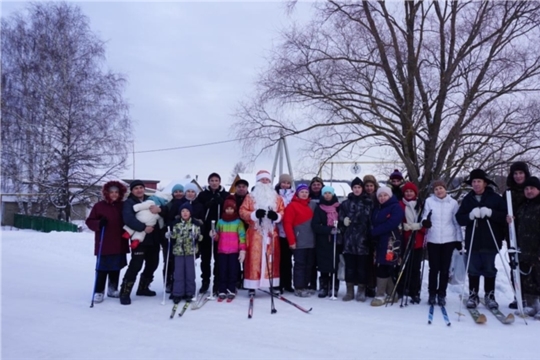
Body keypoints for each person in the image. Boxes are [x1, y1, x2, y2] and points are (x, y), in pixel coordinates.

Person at [455, 169, 506, 310]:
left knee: (489, 269)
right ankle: (473, 295)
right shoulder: (467, 199)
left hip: (490, 240)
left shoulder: (495, 198)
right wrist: (470, 216)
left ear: (485, 183)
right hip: (473, 242)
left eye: (479, 181)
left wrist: (491, 213)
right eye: (474, 182)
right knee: (473, 270)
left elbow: (504, 217)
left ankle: (490, 296)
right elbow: (459, 219)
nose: (476, 184)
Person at [239, 170, 285, 295]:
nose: (265, 182)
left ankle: (273, 283)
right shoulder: (250, 197)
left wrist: (276, 216)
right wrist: (253, 215)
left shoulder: (277, 198)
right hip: (255, 233)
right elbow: (242, 211)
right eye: (262, 180)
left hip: (271, 232)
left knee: (272, 258)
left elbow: (282, 212)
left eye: (267, 180)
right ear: (258, 181)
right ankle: (252, 286)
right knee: (254, 258)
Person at [119, 180, 165, 305]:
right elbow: (128, 219)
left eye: (141, 188)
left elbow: (161, 212)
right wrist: (143, 228)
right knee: (135, 265)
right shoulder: (129, 203)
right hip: (139, 239)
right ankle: (125, 292)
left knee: (153, 264)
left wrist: (159, 210)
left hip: (153, 239)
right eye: (136, 188)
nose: (139, 190)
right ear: (132, 191)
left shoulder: (152, 200)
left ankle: (143, 287)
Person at [85, 181, 129, 303]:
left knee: (116, 266)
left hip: (120, 240)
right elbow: (89, 221)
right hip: (104, 242)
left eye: (116, 192)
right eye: (111, 192)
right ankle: (99, 291)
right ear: (106, 193)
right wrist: (99, 223)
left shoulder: (123, 206)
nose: (114, 195)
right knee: (102, 268)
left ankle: (112, 288)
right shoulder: (99, 206)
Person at [421, 180, 462, 306]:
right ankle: (432, 293)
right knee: (434, 268)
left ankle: (442, 294)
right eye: (436, 189)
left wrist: (459, 240)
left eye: (441, 188)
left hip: (449, 239)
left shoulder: (453, 203)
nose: (439, 191)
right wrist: (425, 222)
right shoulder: (429, 201)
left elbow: (457, 222)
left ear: (445, 189)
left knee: (445, 269)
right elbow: (424, 216)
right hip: (433, 239)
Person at [338, 177, 373, 301]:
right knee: (350, 267)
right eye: (355, 187)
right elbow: (339, 220)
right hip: (349, 241)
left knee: (362, 268)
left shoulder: (368, 202)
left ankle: (361, 291)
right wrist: (343, 221)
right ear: (352, 189)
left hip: (363, 240)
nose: (357, 189)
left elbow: (372, 221)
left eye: (359, 187)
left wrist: (370, 236)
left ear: (362, 189)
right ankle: (349, 291)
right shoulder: (345, 203)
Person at [371, 186, 404, 306]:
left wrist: (375, 231)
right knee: (383, 265)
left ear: (389, 196)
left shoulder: (395, 207)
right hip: (379, 241)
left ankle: (380, 295)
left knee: (383, 266)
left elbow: (392, 223)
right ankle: (391, 292)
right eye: (380, 195)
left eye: (385, 195)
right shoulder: (378, 208)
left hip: (391, 241)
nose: (382, 197)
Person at [197, 173, 230, 295]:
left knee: (218, 258)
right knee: (205, 259)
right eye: (212, 180)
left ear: (220, 182)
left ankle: (217, 282)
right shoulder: (203, 195)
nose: (214, 183)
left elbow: (230, 209)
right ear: (208, 182)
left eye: (216, 180)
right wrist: (206, 206)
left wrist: (222, 203)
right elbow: (197, 209)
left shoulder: (225, 195)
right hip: (206, 230)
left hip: (221, 230)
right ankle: (205, 281)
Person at [512, 176, 540, 318]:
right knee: (528, 278)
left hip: (537, 249)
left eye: (532, 189)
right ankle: (532, 305)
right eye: (527, 189)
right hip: (525, 249)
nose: (529, 191)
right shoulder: (523, 207)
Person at [505, 161, 531, 309]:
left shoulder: (532, 191)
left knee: (530, 266)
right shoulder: (508, 193)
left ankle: (531, 297)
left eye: (521, 173)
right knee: (515, 265)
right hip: (513, 235)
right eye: (515, 173)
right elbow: (503, 211)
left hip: (530, 235)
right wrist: (506, 219)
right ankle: (518, 295)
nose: (518, 176)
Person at [211, 195, 246, 301]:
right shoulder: (220, 221)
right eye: (227, 209)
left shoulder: (238, 222)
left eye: (231, 208)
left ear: (234, 209)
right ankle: (222, 289)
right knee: (222, 270)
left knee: (233, 270)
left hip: (234, 251)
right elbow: (217, 236)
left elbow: (242, 237)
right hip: (222, 251)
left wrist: (242, 250)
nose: (229, 210)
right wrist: (213, 234)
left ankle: (231, 288)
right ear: (224, 209)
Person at [283, 184, 315, 297]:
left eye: (306, 192)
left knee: (309, 265)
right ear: (297, 193)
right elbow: (287, 224)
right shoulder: (292, 206)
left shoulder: (312, 205)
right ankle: (299, 287)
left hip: (311, 241)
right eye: (302, 192)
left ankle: (306, 285)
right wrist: (291, 240)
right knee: (300, 265)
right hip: (299, 241)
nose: (304, 194)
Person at [397, 182, 426, 304]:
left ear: (415, 193)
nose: (409, 194)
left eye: (411, 192)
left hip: (417, 240)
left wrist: (419, 226)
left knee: (415, 267)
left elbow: (426, 222)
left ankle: (415, 290)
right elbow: (395, 220)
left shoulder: (421, 205)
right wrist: (402, 226)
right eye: (407, 191)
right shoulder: (399, 204)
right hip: (403, 239)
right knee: (403, 265)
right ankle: (403, 288)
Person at [312, 186, 341, 298]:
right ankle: (324, 287)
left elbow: (343, 220)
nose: (327, 195)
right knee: (324, 265)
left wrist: (339, 228)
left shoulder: (338, 207)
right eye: (325, 193)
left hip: (336, 241)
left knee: (335, 264)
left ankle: (334, 287)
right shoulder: (319, 208)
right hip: (323, 241)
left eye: (329, 193)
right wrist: (328, 230)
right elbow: (315, 225)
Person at [170, 202, 203, 304]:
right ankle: (178, 293)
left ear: (190, 213)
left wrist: (196, 236)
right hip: (179, 252)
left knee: (190, 273)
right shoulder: (176, 224)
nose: (185, 213)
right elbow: (174, 236)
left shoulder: (194, 224)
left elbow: (201, 237)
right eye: (183, 211)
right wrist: (169, 235)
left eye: (187, 211)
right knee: (178, 273)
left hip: (190, 252)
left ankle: (189, 292)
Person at [160, 184, 186, 294]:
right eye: (176, 191)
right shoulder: (169, 204)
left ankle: (180, 281)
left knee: (181, 261)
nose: (179, 193)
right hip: (169, 235)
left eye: (180, 191)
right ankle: (168, 282)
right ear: (173, 193)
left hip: (183, 236)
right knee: (169, 260)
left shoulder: (187, 204)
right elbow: (165, 218)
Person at [275, 174, 295, 293]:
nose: (286, 185)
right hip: (278, 230)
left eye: (288, 183)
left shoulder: (293, 194)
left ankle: (288, 283)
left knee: (288, 259)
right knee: (279, 258)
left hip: (290, 230)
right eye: (284, 182)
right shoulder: (275, 195)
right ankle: (279, 283)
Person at [363, 174, 380, 297]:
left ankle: (376, 285)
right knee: (367, 262)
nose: (369, 188)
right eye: (367, 186)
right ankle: (368, 285)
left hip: (376, 231)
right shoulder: (362, 198)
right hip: (364, 232)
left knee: (376, 262)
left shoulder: (379, 197)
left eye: (371, 185)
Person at [308, 176, 325, 293]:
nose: (316, 186)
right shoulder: (307, 196)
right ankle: (311, 283)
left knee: (323, 258)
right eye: (314, 184)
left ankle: (324, 283)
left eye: (318, 184)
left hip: (322, 229)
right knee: (311, 259)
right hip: (309, 228)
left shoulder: (325, 197)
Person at [233, 178, 250, 289]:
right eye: (239, 187)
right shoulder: (231, 198)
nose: (241, 188)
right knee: (235, 255)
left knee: (247, 255)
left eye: (243, 186)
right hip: (234, 229)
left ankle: (246, 278)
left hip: (248, 229)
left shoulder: (251, 198)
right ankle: (236, 278)